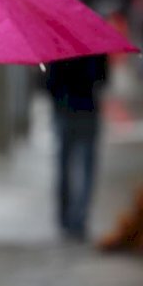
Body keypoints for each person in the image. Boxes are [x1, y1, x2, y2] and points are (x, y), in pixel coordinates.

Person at [44, 54, 109, 241]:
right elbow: (103, 79)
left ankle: (65, 217)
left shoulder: (58, 46)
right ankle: (79, 217)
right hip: (88, 109)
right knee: (87, 168)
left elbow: (49, 84)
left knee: (64, 165)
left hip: (64, 110)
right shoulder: (95, 47)